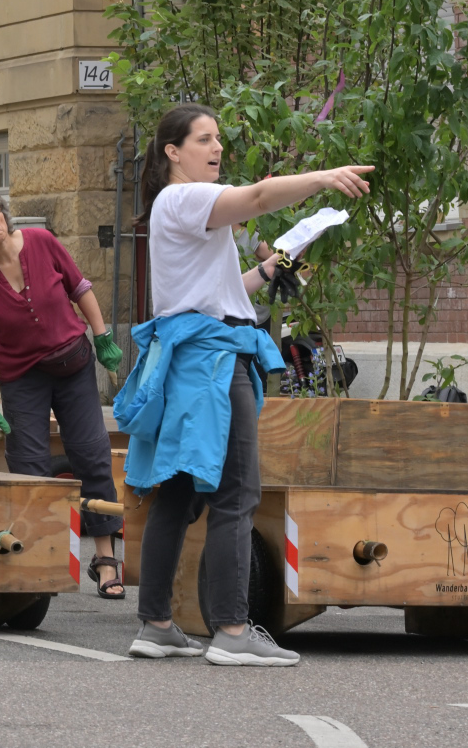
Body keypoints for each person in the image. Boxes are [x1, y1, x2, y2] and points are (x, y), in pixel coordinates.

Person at [116, 103, 371, 666]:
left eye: (219, 140)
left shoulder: (177, 208)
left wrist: (272, 266)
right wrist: (323, 178)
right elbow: (257, 197)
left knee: (179, 492)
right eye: (204, 139)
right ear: (172, 151)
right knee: (235, 495)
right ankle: (232, 630)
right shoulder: (185, 199)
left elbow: (222, 293)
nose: (217, 148)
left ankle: (155, 624)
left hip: (193, 359)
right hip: (212, 364)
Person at [0, 191, 128, 596]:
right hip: (22, 378)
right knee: (28, 467)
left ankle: (105, 560)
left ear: (5, 214)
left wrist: (101, 336)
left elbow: (81, 287)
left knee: (91, 454)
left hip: (74, 366)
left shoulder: (43, 242)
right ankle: (44, 559)